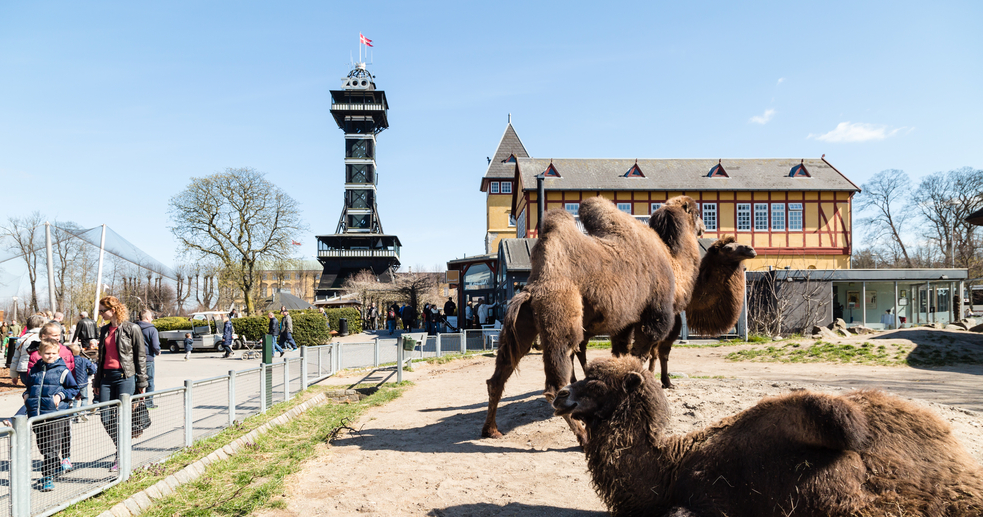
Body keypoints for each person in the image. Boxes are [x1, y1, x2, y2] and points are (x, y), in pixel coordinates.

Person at [93, 296, 147, 472]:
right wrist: (97, 380)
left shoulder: (132, 328)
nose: (100, 313)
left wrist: (142, 381)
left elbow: (140, 356)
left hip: (125, 377)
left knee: (123, 417)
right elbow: (100, 359)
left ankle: (120, 456)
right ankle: (122, 448)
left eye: (102, 310)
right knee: (106, 417)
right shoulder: (104, 330)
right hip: (106, 378)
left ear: (113, 310)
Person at [24, 340, 78, 492]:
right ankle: (54, 467)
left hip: (56, 415)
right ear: (40, 353)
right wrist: (26, 395)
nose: (50, 356)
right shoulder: (34, 369)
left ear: (58, 354)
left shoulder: (63, 371)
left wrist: (60, 395)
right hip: (37, 415)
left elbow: (73, 388)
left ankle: (47, 477)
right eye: (47, 353)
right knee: (42, 446)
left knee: (51, 448)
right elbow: (30, 387)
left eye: (54, 353)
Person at [10, 315, 46, 385]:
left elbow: (15, 358)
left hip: (24, 369)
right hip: (39, 368)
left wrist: (14, 375)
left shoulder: (21, 339)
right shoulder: (43, 338)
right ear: (41, 326)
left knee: (30, 389)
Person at [136, 310, 161, 407]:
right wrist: (157, 351)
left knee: (137, 380)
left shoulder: (134, 328)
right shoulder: (152, 329)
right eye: (151, 317)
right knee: (150, 381)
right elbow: (155, 345)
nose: (151, 318)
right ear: (147, 318)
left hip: (136, 359)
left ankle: (136, 402)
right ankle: (149, 403)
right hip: (148, 358)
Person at [69, 343, 96, 412]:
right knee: (84, 398)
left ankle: (74, 415)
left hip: (72, 382)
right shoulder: (84, 360)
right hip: (83, 382)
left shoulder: (69, 361)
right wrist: (89, 373)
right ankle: (83, 412)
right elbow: (92, 369)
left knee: (74, 399)